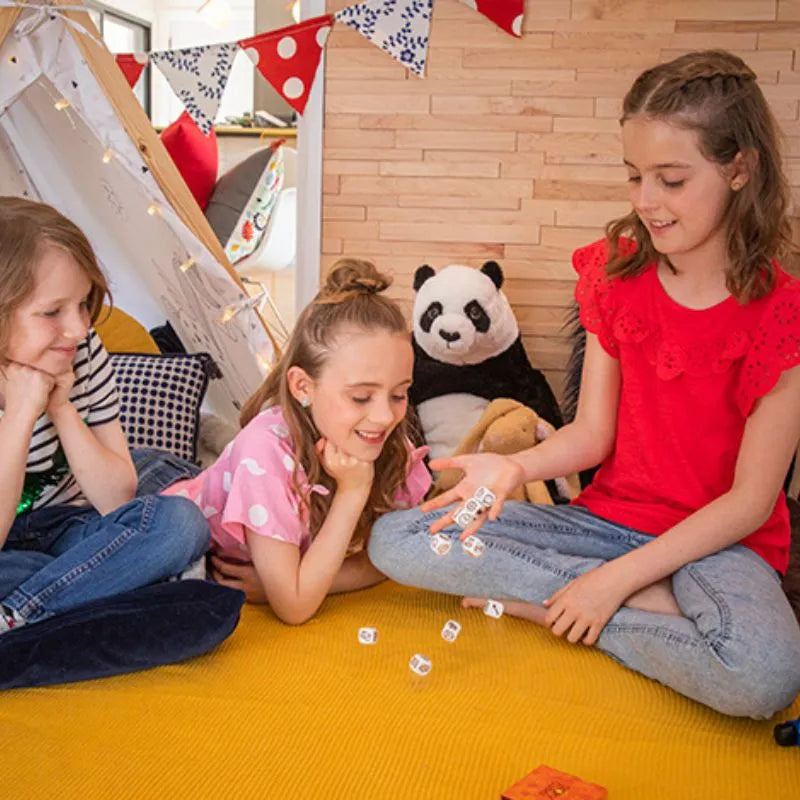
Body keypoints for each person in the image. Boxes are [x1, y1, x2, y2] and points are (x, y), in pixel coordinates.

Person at [367, 50, 800, 718]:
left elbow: (749, 502)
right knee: (398, 539)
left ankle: (564, 606)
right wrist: (514, 471)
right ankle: (625, 608)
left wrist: (615, 583)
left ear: (740, 169)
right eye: (634, 177)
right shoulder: (615, 273)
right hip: (604, 524)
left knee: (763, 677)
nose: (646, 202)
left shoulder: (782, 312)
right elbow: (593, 436)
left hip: (719, 546)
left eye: (672, 179)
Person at [163, 258, 431, 624]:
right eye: (361, 397)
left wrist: (311, 578)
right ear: (304, 387)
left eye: (399, 394)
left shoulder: (389, 442)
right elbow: (295, 606)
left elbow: (396, 554)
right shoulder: (265, 453)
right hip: (165, 510)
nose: (386, 416)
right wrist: (353, 493)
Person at [0, 196, 210, 635]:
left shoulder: (83, 351)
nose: (76, 328)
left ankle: (19, 613)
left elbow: (116, 498)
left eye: (82, 305)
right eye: (52, 312)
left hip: (71, 529)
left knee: (180, 524)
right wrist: (20, 413)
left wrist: (60, 407)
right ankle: (94, 589)